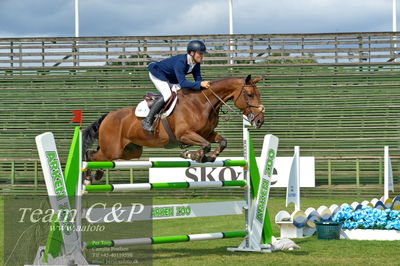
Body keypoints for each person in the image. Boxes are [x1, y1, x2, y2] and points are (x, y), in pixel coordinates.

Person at [142, 40, 211, 133]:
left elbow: (198, 80)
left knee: (182, 93)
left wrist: (205, 87)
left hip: (171, 78)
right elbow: (183, 83)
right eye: (200, 53)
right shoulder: (181, 62)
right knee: (167, 95)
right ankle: (147, 121)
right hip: (157, 73)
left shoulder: (196, 64)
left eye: (203, 54)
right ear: (192, 53)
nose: (202, 56)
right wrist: (199, 84)